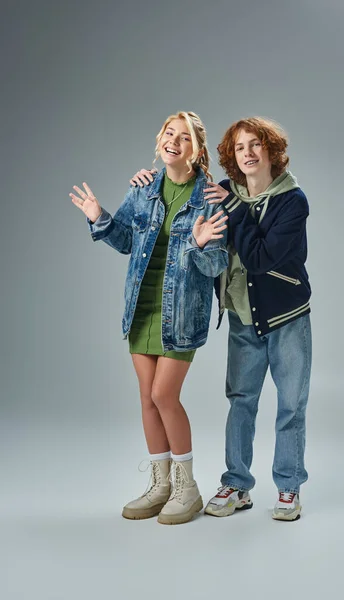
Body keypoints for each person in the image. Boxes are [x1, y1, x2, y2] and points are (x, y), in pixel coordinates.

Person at [130, 116, 312, 521]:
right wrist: (148, 180)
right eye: (239, 148)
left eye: (255, 145)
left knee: (290, 406)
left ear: (272, 152)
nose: (247, 153)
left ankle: (288, 488)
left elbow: (260, 258)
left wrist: (236, 211)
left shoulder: (292, 200)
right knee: (241, 402)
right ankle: (236, 485)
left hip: (287, 318)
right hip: (243, 320)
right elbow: (187, 186)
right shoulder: (226, 192)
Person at [69, 111, 228, 525]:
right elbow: (124, 240)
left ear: (196, 150)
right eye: (168, 134)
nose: (174, 141)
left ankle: (187, 488)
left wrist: (197, 244)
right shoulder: (142, 190)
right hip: (140, 308)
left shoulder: (208, 198)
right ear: (160, 141)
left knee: (163, 396)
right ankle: (161, 486)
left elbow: (215, 266)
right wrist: (98, 215)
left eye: (184, 137)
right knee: (146, 398)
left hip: (181, 314)